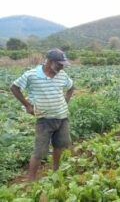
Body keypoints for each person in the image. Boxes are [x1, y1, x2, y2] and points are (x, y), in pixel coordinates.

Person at [10, 48, 74, 182]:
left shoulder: (62, 75)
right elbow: (14, 87)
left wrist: (65, 102)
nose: (62, 67)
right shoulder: (32, 75)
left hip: (62, 118)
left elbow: (71, 87)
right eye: (60, 64)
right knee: (39, 151)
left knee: (59, 145)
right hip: (44, 120)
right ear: (50, 62)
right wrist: (27, 105)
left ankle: (56, 172)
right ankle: (31, 179)